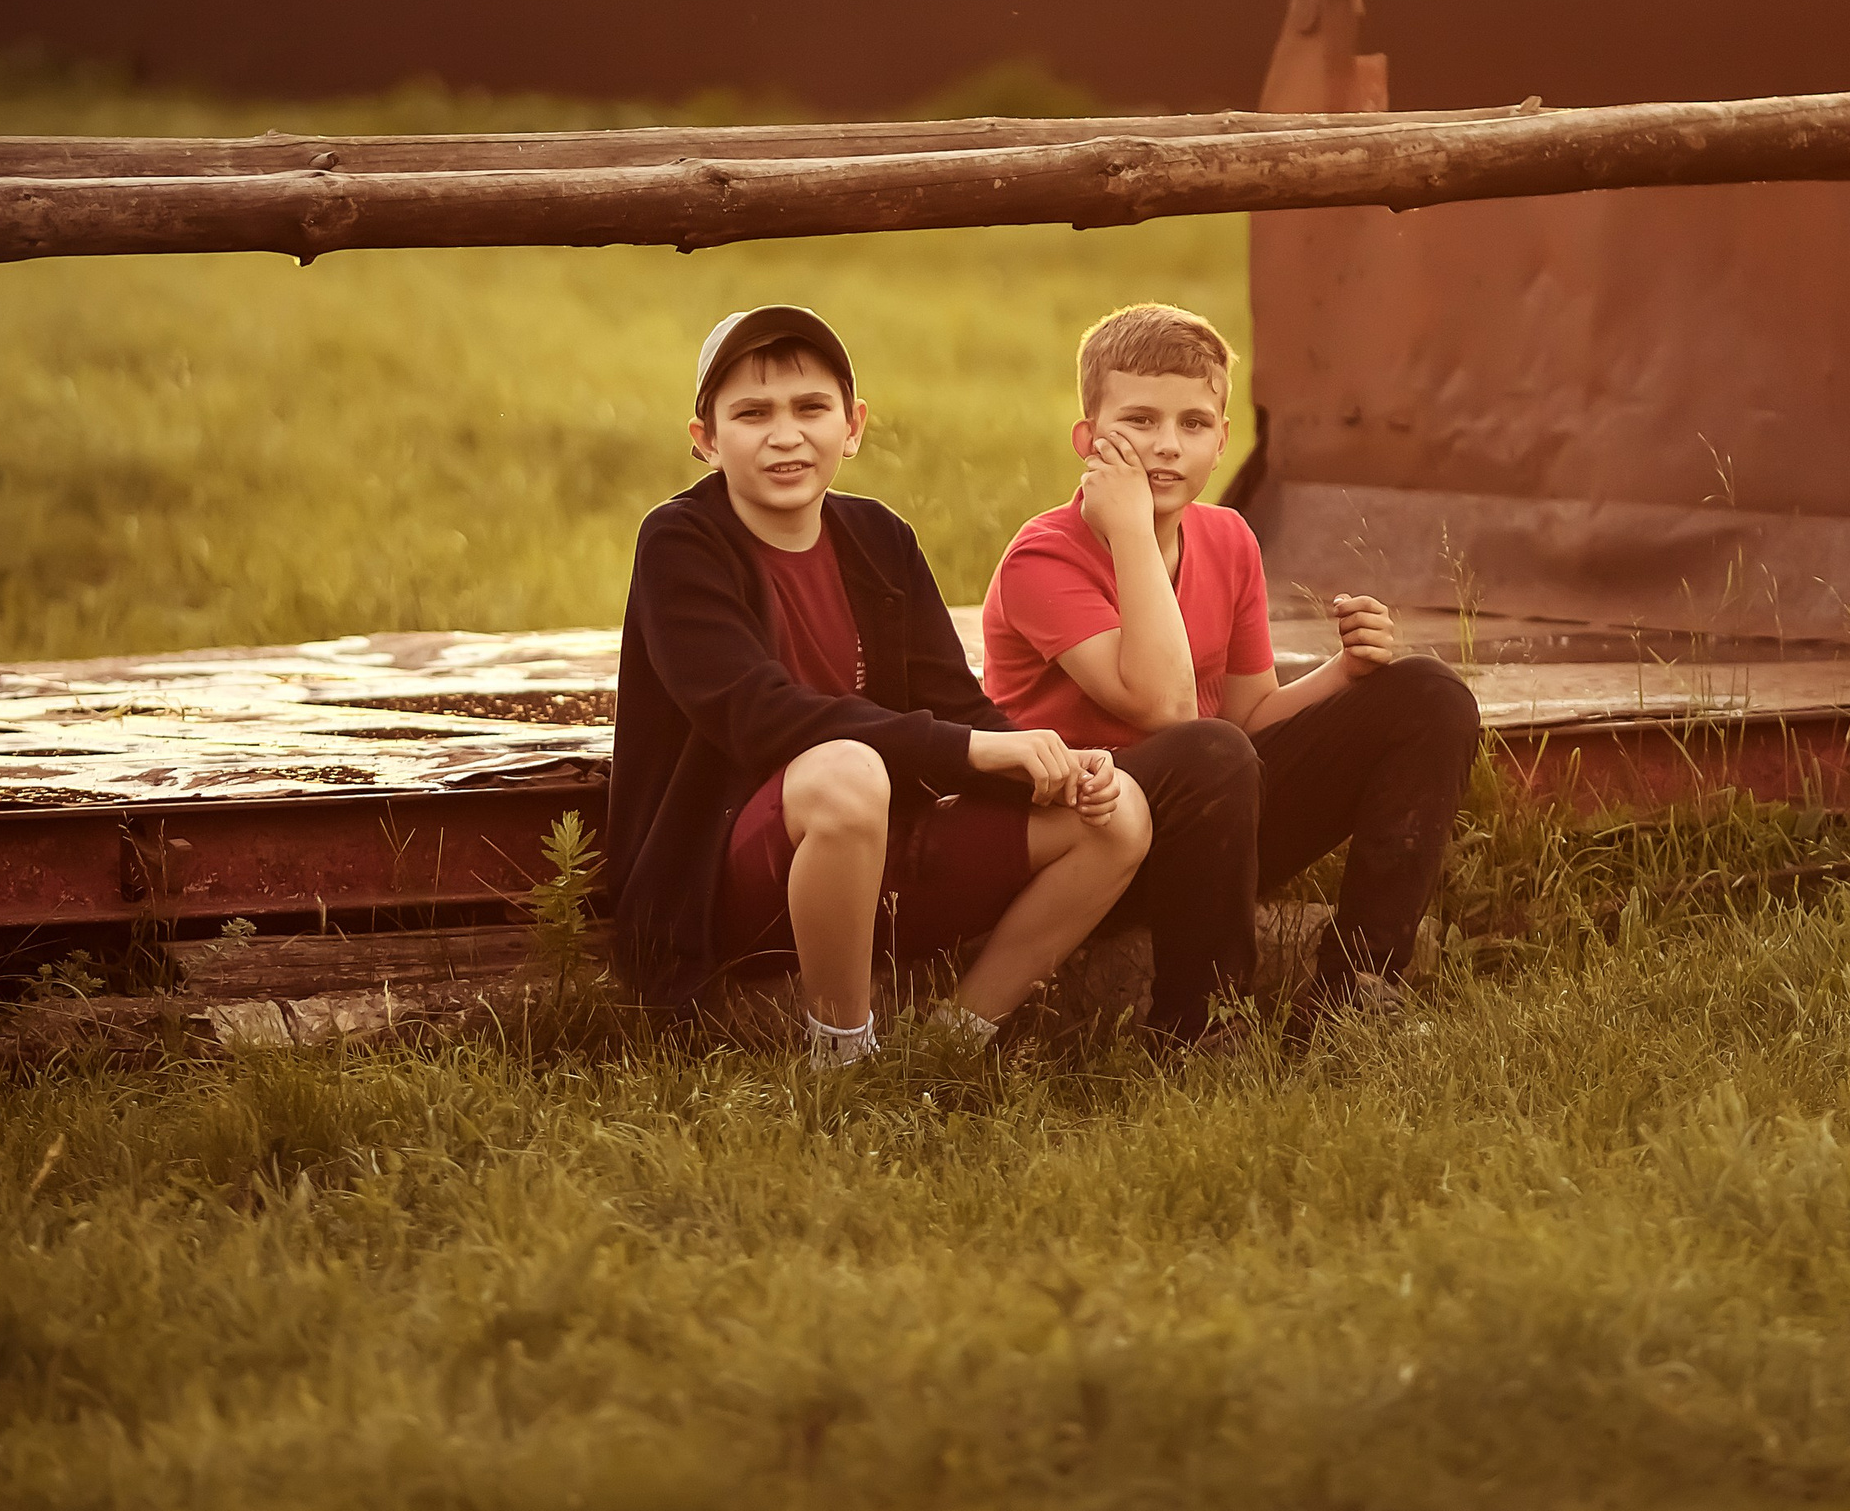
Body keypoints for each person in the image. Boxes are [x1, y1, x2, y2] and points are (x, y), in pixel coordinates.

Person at [608, 301, 1148, 1060]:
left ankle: (954, 1040)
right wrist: (968, 753)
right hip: (730, 882)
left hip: (890, 848)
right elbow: (757, 717)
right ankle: (843, 1053)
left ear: (852, 426)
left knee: (1118, 809)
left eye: (811, 408)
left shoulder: (879, 538)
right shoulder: (680, 542)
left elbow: (954, 704)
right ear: (706, 440)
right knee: (846, 772)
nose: (785, 434)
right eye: (752, 413)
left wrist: (1043, 763)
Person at [980, 302, 1480, 1042]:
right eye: (1140, 422)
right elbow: (1165, 708)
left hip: (1210, 820)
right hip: (1087, 845)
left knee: (1427, 695)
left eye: (1192, 424)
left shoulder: (1228, 538)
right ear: (1088, 440)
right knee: (1207, 750)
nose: (1166, 447)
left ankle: (1357, 993)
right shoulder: (1042, 558)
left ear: (1221, 441)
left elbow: (1247, 719)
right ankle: (1201, 1026)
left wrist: (1345, 673)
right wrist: (1128, 528)